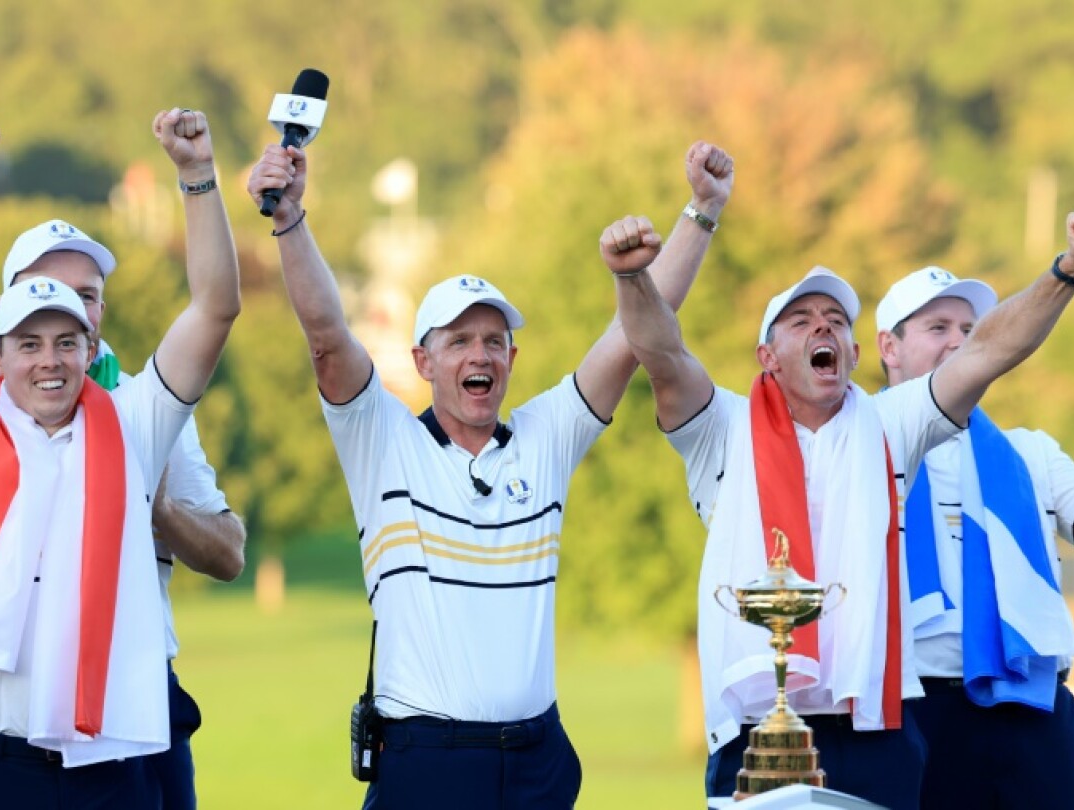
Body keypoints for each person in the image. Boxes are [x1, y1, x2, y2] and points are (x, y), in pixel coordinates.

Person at [247, 138, 734, 808]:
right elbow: (328, 335)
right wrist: (290, 219)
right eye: (459, 341)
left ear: (512, 354)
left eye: (495, 341)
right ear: (422, 361)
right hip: (427, 762)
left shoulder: (544, 436)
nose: (481, 354)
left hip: (537, 761)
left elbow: (638, 336)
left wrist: (701, 211)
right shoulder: (382, 440)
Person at [609, 209, 1074, 808]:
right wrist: (633, 279)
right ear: (767, 356)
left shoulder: (891, 421)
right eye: (800, 320)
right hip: (753, 731)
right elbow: (660, 351)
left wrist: (1067, 272)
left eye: (834, 320)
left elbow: (989, 350)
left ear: (852, 349)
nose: (821, 327)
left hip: (877, 730)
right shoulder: (722, 426)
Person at [0, 111, 240, 808]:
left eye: (68, 338)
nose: (50, 360)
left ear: (94, 345)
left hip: (106, 764)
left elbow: (215, 306)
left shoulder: (136, 422)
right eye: (28, 343)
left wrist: (196, 176)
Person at [876, 266, 1074, 809]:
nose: (959, 343)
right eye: (937, 327)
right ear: (888, 348)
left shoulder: (1029, 451)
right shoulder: (861, 442)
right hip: (922, 710)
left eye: (971, 331)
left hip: (1034, 709)